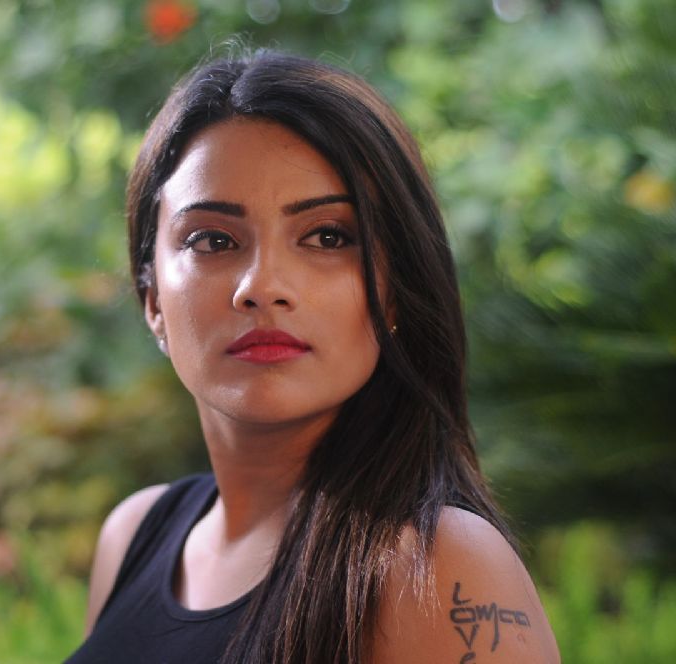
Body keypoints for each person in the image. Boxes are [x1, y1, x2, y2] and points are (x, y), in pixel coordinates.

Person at [66, 51, 560, 664]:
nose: (262, 286)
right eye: (212, 240)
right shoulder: (133, 535)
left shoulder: (437, 565)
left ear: (396, 287)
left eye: (328, 237)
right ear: (152, 299)